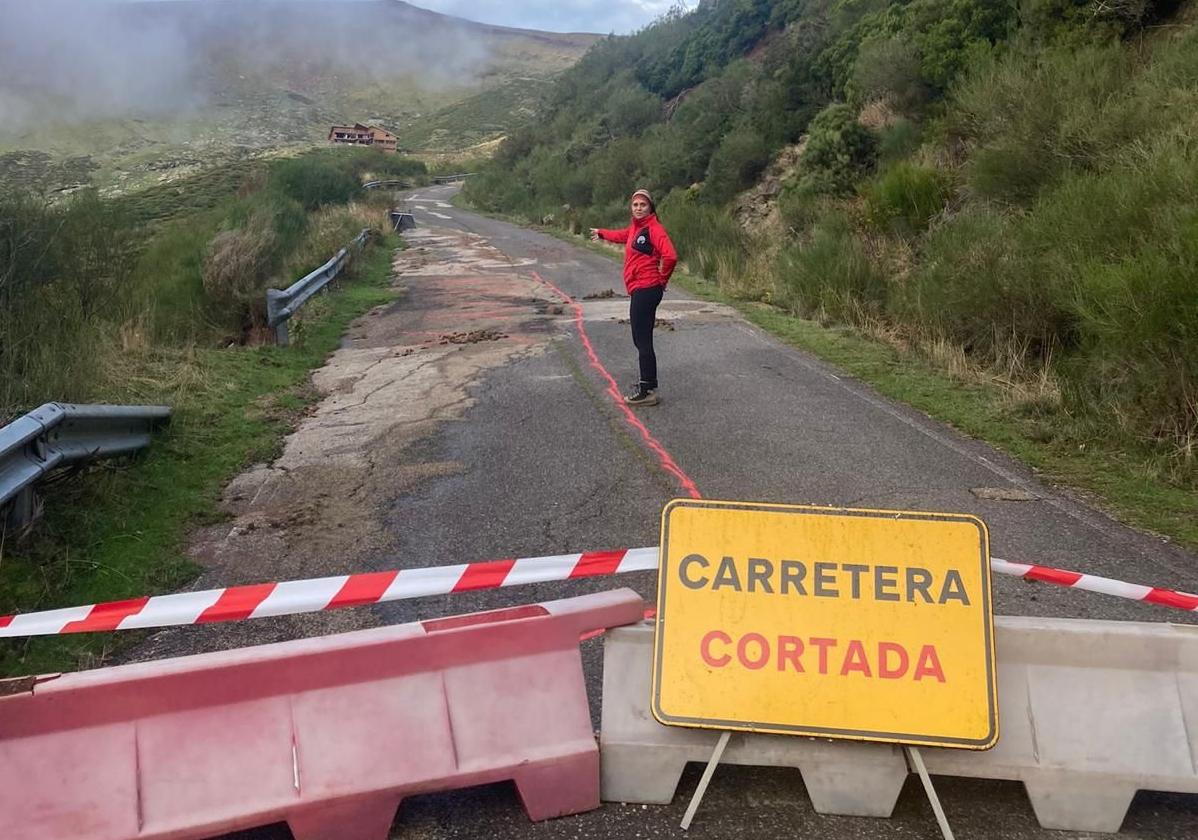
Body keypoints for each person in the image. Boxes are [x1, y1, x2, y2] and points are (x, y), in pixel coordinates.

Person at [590, 189, 678, 406]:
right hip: (641, 288)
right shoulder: (637, 229)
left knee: (642, 340)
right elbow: (622, 235)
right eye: (635, 205)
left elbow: (671, 256)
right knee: (641, 338)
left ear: (650, 207)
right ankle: (648, 385)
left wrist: (662, 279)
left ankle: (647, 390)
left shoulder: (653, 229)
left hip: (647, 288)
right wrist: (602, 233)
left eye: (643, 205)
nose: (638, 208)